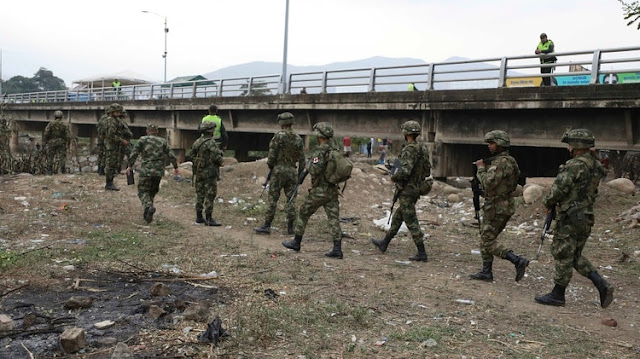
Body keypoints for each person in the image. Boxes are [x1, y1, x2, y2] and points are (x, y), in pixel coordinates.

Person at [535, 129, 614, 308]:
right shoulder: (595, 165)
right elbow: (599, 173)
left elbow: (558, 189)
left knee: (563, 252)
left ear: (577, 146)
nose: (568, 147)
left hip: (570, 216)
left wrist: (547, 202)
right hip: (585, 215)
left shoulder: (575, 165)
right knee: (575, 254)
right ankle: (602, 285)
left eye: (570, 144)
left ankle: (557, 294)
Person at [469, 130, 529, 282]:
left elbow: (488, 184)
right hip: (502, 204)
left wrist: (481, 168)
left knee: (487, 241)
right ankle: (486, 271)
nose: (490, 146)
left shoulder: (501, 162)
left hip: (497, 207)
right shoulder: (510, 161)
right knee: (486, 237)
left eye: (492, 143)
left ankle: (516, 260)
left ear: (500, 144)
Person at [282, 122, 344, 259]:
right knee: (334, 218)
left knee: (303, 212)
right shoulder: (335, 148)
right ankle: (337, 248)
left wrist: (309, 167)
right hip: (332, 189)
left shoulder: (320, 151)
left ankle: (296, 242)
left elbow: (315, 170)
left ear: (319, 136)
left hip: (320, 190)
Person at [371, 120, 431, 261]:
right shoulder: (422, 149)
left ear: (406, 133)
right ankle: (384, 243)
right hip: (415, 188)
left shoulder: (409, 149)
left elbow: (405, 171)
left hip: (407, 190)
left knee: (411, 220)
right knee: (398, 218)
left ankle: (422, 253)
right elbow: (427, 170)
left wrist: (393, 175)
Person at [255, 112, 305, 235]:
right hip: (292, 171)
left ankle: (267, 225)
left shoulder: (278, 136)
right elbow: (302, 159)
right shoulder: (298, 138)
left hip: (278, 170)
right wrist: (299, 175)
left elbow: (271, 155)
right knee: (291, 199)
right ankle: (290, 227)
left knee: (273, 198)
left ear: (281, 123)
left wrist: (271, 166)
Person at [126, 124, 178, 223]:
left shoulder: (142, 140)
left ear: (147, 131)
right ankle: (147, 213)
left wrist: (129, 165)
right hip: (158, 171)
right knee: (152, 192)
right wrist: (175, 167)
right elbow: (171, 154)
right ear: (157, 131)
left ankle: (148, 207)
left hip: (146, 170)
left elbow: (134, 153)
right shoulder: (162, 141)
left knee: (143, 191)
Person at [185, 121, 224, 226]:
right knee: (210, 194)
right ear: (211, 131)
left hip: (199, 172)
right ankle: (209, 218)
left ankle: (199, 216)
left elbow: (191, 155)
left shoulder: (198, 141)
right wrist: (219, 160)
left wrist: (199, 162)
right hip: (210, 173)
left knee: (200, 194)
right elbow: (217, 158)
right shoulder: (211, 142)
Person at [103, 103, 128, 191]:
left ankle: (110, 182)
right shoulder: (111, 121)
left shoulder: (115, 120)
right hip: (111, 145)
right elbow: (111, 135)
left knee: (113, 164)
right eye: (117, 112)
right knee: (110, 164)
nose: (119, 113)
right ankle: (109, 183)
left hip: (114, 145)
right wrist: (122, 140)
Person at [42, 110, 70, 174]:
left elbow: (46, 133)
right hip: (61, 142)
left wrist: (45, 142)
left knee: (50, 157)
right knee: (62, 157)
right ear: (61, 117)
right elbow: (68, 135)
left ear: (54, 116)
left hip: (51, 142)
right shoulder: (64, 124)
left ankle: (49, 171)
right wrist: (68, 143)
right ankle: (63, 171)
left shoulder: (51, 124)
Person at [96, 106, 111, 175]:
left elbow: (98, 128)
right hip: (105, 138)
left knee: (100, 154)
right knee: (105, 154)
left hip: (100, 138)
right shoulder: (109, 119)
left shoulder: (101, 118)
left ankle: (99, 169)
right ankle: (102, 169)